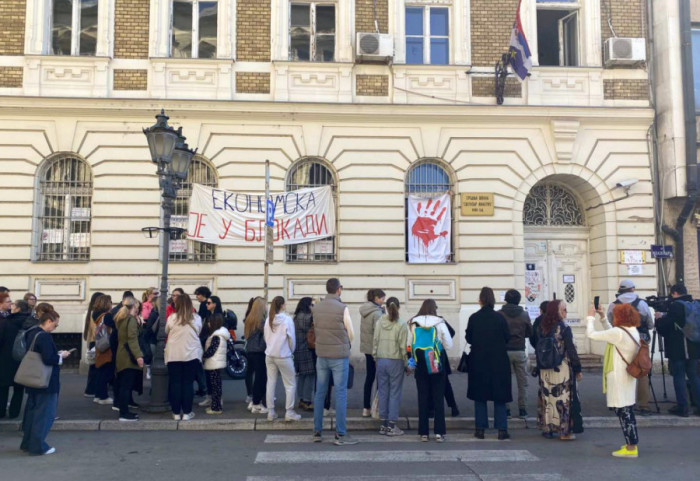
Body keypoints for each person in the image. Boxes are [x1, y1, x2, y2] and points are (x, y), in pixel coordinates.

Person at [588, 303, 641, 458]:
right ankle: (631, 444)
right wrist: (603, 318)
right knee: (627, 411)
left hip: (619, 377)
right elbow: (611, 332)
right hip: (628, 377)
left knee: (624, 413)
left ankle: (631, 447)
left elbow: (591, 334)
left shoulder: (619, 333)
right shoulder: (631, 330)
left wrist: (590, 318)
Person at [312, 278, 358, 445]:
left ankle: (317, 431)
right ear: (339, 289)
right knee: (340, 393)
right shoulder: (342, 308)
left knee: (319, 393)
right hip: (339, 356)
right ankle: (341, 433)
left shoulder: (316, 308)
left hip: (322, 354)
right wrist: (346, 342)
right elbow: (351, 332)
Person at [20, 308, 72, 455]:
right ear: (48, 321)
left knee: (32, 413)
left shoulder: (32, 332)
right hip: (45, 380)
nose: (55, 328)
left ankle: (27, 443)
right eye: (55, 325)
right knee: (44, 415)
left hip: (33, 378)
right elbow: (48, 358)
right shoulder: (44, 336)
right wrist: (61, 356)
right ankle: (38, 446)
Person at [531, 299, 582, 440]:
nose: (566, 312)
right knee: (562, 399)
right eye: (563, 309)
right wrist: (578, 368)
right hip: (561, 367)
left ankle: (547, 428)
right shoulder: (564, 328)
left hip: (544, 368)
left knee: (547, 398)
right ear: (556, 312)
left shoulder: (541, 327)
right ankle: (564, 431)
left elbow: (535, 344)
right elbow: (571, 350)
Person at [467, 287, 512, 440]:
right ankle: (502, 430)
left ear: (480, 300)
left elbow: (468, 338)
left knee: (480, 396)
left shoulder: (474, 318)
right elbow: (507, 337)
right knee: (500, 396)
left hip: (479, 360)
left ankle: (480, 429)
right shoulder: (500, 318)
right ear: (493, 300)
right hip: (498, 361)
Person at [606, 280, 655, 416]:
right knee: (642, 370)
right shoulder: (642, 304)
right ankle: (643, 404)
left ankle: (621, 403)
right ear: (632, 289)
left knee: (619, 371)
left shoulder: (612, 305)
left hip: (620, 341)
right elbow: (650, 324)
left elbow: (610, 322)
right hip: (640, 342)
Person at [409, 299, 453, 443]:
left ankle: (423, 433)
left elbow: (409, 344)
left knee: (423, 397)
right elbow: (449, 344)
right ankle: (439, 432)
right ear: (435, 308)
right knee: (438, 397)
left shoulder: (413, 322)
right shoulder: (439, 322)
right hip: (435, 362)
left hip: (420, 364)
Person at [654, 283, 700, 417]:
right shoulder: (695, 304)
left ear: (674, 293)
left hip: (678, 349)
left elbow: (665, 327)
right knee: (694, 376)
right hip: (694, 347)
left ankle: (683, 407)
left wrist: (659, 319)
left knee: (678, 377)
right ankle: (698, 405)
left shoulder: (676, 306)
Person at [373, 296, 408, 436]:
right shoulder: (402, 324)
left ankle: (383, 424)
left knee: (382, 391)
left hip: (381, 359)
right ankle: (392, 425)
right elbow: (403, 347)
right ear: (398, 308)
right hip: (395, 360)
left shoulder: (380, 322)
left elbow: (375, 340)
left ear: (386, 308)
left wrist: (375, 357)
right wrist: (406, 364)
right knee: (395, 393)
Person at [165, 294, 202, 421]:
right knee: (188, 383)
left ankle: (176, 413)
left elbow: (166, 331)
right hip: (191, 354)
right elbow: (199, 331)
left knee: (175, 383)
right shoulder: (196, 318)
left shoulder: (172, 318)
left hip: (173, 354)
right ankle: (187, 412)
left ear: (177, 305)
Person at [264, 296, 301, 421]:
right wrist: (291, 351)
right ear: (282, 305)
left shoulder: (269, 319)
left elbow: (266, 337)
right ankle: (289, 412)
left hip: (269, 355)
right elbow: (292, 339)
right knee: (290, 384)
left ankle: (271, 412)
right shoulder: (287, 320)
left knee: (271, 382)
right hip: (283, 355)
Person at [499, 288, 533, 419]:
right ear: (518, 300)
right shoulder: (524, 315)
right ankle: (522, 409)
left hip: (504, 351)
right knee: (522, 381)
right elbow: (530, 333)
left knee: (505, 381)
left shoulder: (500, 314)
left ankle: (506, 410)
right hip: (519, 350)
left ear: (506, 299)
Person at [0, 300, 33, 418]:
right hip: (23, 359)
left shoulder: (6, 322)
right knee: (19, 388)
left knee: (3, 388)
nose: (11, 306)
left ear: (18, 308)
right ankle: (14, 412)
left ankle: (1, 411)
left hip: (5, 359)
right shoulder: (30, 322)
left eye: (13, 304)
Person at [114, 297, 144, 422]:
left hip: (121, 354)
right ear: (134, 307)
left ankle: (124, 411)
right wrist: (138, 356)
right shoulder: (130, 319)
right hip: (128, 356)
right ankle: (124, 413)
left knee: (123, 385)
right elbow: (132, 339)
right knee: (126, 386)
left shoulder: (121, 318)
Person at [360, 288, 386, 417]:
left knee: (369, 377)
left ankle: (366, 407)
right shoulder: (377, 313)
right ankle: (376, 407)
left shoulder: (365, 310)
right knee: (380, 378)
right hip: (376, 349)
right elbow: (379, 333)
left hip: (367, 347)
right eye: (382, 298)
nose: (383, 301)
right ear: (376, 298)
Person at [197, 295, 223, 407]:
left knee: (215, 377)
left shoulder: (219, 317)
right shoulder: (209, 316)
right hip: (207, 346)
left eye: (209, 303)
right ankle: (210, 397)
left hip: (214, 349)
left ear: (215, 304)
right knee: (208, 375)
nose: (206, 305)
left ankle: (217, 399)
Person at [202, 313, 230, 414]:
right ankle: (216, 406)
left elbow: (211, 350)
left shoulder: (216, 336)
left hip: (214, 364)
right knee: (217, 386)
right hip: (217, 363)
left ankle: (216, 408)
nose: (208, 323)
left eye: (209, 321)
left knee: (215, 387)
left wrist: (203, 355)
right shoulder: (221, 335)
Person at [245, 297, 268, 413]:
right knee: (261, 378)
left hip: (250, 351)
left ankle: (254, 400)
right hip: (259, 351)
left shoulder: (250, 318)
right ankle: (256, 403)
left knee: (256, 377)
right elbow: (268, 333)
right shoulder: (261, 321)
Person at [293, 297, 315, 411]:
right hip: (306, 349)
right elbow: (311, 324)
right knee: (310, 375)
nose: (312, 306)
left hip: (299, 349)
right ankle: (306, 400)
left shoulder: (297, 317)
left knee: (302, 375)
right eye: (311, 304)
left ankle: (301, 399)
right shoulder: (305, 317)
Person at [92, 295, 115, 405]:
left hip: (100, 345)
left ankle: (97, 395)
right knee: (106, 372)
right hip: (106, 346)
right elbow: (115, 327)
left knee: (101, 371)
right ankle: (103, 396)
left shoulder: (96, 315)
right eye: (111, 302)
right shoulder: (106, 316)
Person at [82, 292, 104, 399]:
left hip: (92, 341)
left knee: (94, 367)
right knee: (96, 368)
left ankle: (90, 389)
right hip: (96, 341)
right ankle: (91, 390)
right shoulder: (96, 313)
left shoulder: (91, 312)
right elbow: (96, 330)